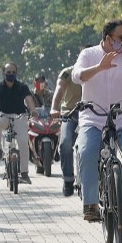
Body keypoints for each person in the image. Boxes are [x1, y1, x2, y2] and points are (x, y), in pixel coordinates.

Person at [72, 20, 122, 221]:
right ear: (108, 38)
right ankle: (90, 204)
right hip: (92, 118)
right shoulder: (88, 54)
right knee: (87, 153)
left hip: (121, 116)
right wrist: (99, 67)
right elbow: (77, 76)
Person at [0, 62, 39, 184]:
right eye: (8, 72)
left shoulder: (21, 86)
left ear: (16, 73)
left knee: (23, 142)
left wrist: (33, 111)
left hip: (20, 117)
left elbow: (29, 99)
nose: (11, 74)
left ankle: (25, 173)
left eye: (13, 72)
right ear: (4, 73)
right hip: (3, 116)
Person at [50, 48, 88, 196]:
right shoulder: (67, 73)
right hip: (70, 113)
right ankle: (68, 179)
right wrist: (54, 108)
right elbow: (59, 90)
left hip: (93, 113)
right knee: (65, 144)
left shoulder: (100, 71)